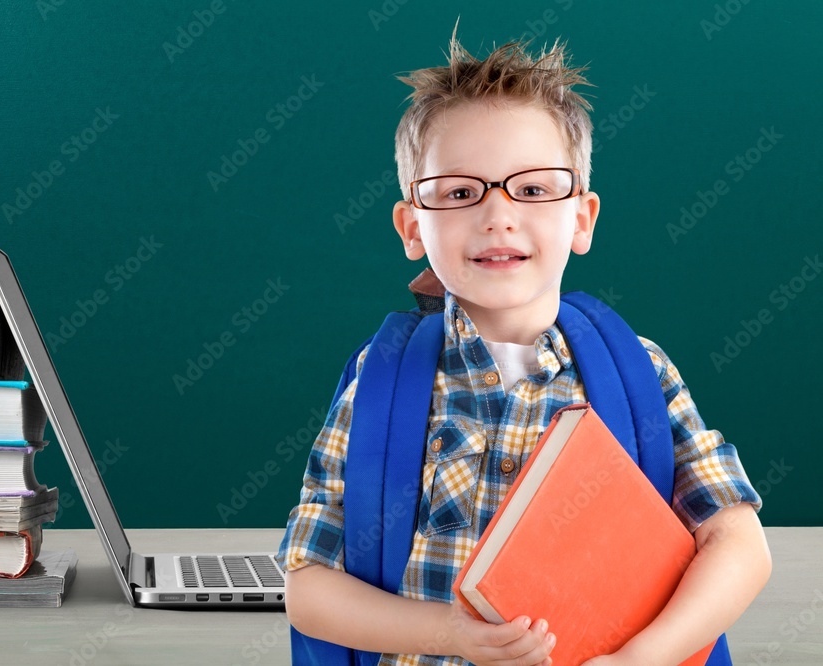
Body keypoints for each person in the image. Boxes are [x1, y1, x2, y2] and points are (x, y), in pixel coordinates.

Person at [277, 32, 771, 666]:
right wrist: (450, 633)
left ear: (583, 219)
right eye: (459, 192)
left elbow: (738, 543)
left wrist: (640, 658)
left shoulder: (638, 373)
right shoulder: (382, 381)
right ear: (411, 228)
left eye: (533, 190)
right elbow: (309, 587)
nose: (498, 215)